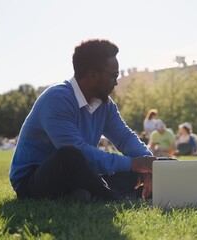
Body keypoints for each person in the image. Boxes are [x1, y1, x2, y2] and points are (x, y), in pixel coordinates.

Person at [9, 39, 155, 203]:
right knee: (70, 155)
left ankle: (84, 194)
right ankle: (110, 197)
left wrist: (148, 166)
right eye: (114, 75)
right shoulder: (57, 99)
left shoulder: (104, 104)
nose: (116, 82)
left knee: (161, 165)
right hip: (34, 180)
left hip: (83, 173)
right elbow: (82, 153)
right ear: (93, 75)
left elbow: (125, 138)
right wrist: (133, 164)